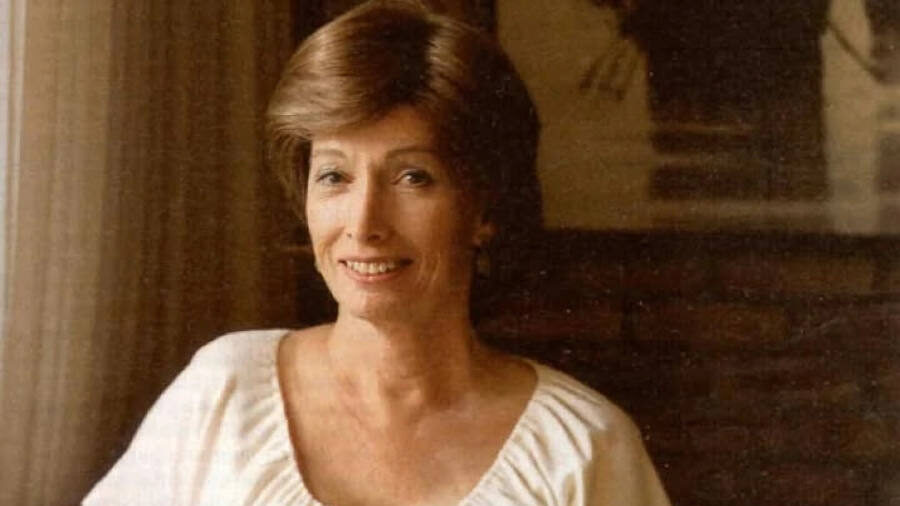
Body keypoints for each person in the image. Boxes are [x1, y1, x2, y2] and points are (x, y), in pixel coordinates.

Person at [83, 1, 671, 504]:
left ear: (485, 208)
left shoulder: (582, 448)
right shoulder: (222, 395)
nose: (364, 224)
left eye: (413, 177)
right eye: (335, 177)